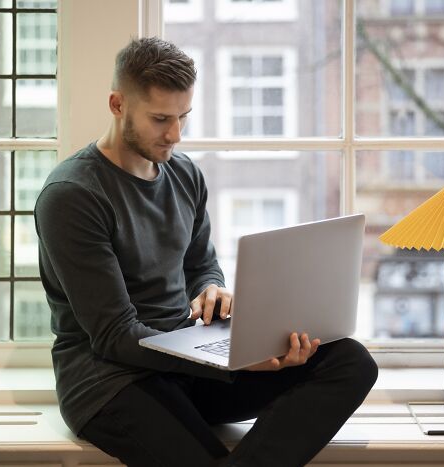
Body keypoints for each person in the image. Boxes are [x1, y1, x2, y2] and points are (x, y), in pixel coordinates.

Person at [34, 37, 378, 467]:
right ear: (117, 105)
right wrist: (233, 362)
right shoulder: (72, 195)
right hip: (111, 381)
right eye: (161, 119)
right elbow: (114, 337)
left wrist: (211, 289)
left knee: (350, 361)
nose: (175, 134)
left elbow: (200, 263)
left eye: (183, 117)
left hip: (187, 366)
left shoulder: (184, 174)